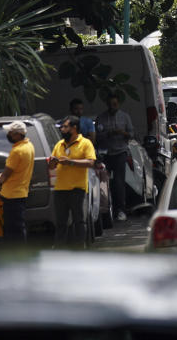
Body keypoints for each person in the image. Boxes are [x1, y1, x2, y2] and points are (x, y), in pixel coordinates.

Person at [50, 115, 96, 247]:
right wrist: (52, 163)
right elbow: (52, 166)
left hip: (77, 188)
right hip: (60, 189)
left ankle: (80, 246)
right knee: (60, 222)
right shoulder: (60, 144)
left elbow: (90, 162)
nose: (62, 129)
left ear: (74, 128)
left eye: (65, 127)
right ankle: (59, 248)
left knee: (78, 220)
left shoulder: (85, 143)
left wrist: (70, 162)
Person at [0, 120, 35, 242]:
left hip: (11, 195)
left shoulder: (17, 151)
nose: (9, 135)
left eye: (11, 133)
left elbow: (6, 173)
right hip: (21, 192)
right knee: (18, 226)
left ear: (18, 134)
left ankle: (17, 254)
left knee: (13, 229)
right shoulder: (29, 146)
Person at [95, 95, 134, 221]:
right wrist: (108, 133)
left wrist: (123, 133)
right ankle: (106, 209)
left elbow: (132, 134)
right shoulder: (101, 118)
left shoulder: (125, 116)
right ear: (107, 104)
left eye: (115, 104)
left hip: (120, 152)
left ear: (118, 104)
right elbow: (97, 137)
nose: (113, 106)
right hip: (106, 153)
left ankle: (121, 210)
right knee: (104, 183)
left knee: (119, 182)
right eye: (111, 104)